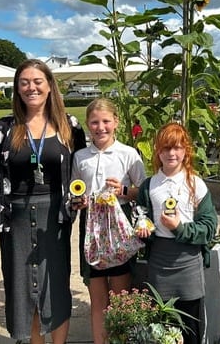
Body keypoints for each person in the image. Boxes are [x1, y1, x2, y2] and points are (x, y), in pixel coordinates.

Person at [0, 59, 86, 344]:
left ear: (50, 86)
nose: (31, 88)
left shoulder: (69, 126)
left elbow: (81, 169)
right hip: (15, 217)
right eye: (24, 82)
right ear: (17, 88)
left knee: (55, 285)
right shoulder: (4, 128)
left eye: (38, 81)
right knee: (22, 288)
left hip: (54, 217)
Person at [71, 98, 146, 344]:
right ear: (87, 124)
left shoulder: (128, 154)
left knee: (121, 294)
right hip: (91, 226)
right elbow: (75, 190)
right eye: (94, 122)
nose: (100, 127)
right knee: (97, 296)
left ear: (116, 122)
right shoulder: (81, 156)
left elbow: (143, 191)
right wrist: (79, 200)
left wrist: (124, 190)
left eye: (105, 121)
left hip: (119, 226)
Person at [135, 122, 218, 344]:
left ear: (186, 151)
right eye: (166, 148)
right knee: (161, 328)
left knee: (190, 326)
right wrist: (143, 229)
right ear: (158, 151)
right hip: (159, 262)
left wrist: (180, 228)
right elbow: (140, 216)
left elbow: (209, 228)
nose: (172, 153)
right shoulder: (149, 186)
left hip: (189, 263)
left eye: (177, 147)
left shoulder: (196, 185)